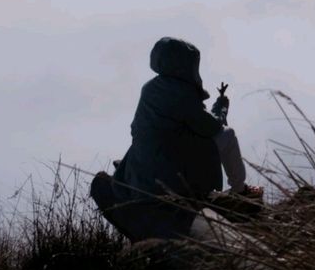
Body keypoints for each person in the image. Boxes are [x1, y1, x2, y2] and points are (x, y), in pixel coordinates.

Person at [91, 36, 261, 241]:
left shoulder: (149, 89)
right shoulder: (181, 92)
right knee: (228, 136)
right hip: (171, 171)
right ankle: (241, 191)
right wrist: (222, 106)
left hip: (140, 170)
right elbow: (210, 126)